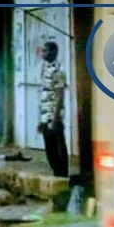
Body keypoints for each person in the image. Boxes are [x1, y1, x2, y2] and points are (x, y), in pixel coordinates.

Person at [37, 41, 69, 178]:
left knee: (58, 150)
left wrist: (55, 119)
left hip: (54, 117)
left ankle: (62, 177)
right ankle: (57, 175)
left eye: (45, 51)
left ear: (52, 52)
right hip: (45, 116)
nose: (42, 53)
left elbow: (59, 96)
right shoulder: (45, 68)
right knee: (50, 152)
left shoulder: (58, 71)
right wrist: (41, 120)